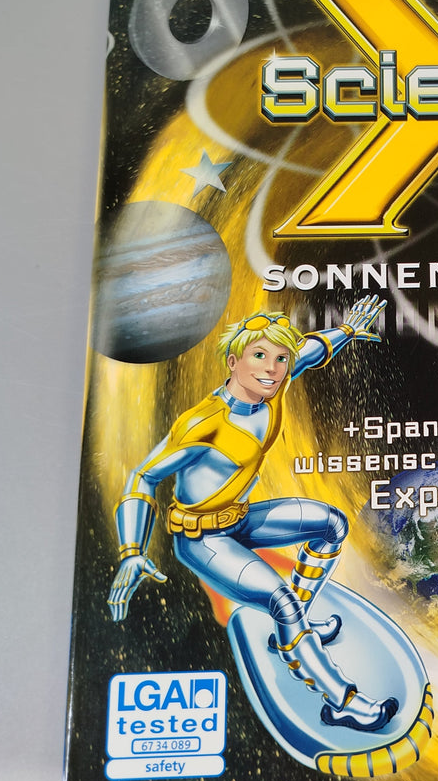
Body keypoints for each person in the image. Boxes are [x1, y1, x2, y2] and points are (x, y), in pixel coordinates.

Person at [107, 296, 398, 733]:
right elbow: (143, 477)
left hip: (239, 518)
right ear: (233, 362)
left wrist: (348, 331)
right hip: (202, 540)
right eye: (259, 356)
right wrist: (132, 551)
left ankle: (294, 627)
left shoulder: (273, 390)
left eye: (280, 359)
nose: (272, 368)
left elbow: (311, 350)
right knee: (281, 600)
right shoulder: (203, 423)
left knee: (331, 525)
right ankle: (345, 704)